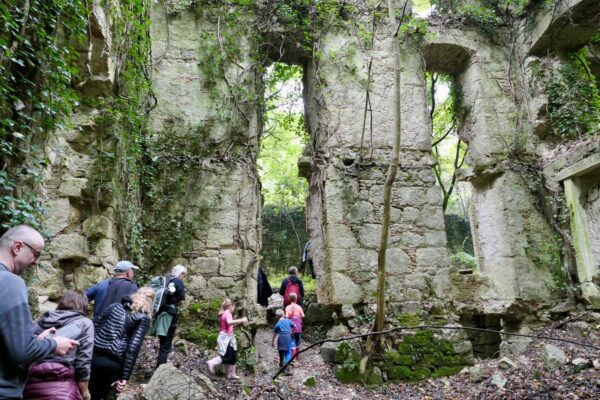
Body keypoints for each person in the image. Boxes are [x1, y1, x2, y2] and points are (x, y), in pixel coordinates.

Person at [0, 225, 79, 399]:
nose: (36, 262)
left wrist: (35, 341)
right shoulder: (10, 282)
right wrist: (54, 345)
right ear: (17, 247)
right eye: (36, 254)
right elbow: (21, 351)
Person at [23, 290, 94, 400]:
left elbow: (27, 349)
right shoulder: (85, 323)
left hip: (31, 383)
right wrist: (84, 392)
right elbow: (83, 361)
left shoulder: (42, 320)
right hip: (63, 385)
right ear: (83, 305)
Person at [88, 287, 154, 400]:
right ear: (151, 301)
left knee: (82, 393)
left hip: (92, 358)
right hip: (112, 365)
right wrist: (125, 377)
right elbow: (132, 348)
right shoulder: (143, 318)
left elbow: (95, 328)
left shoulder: (114, 306)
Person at [152, 264, 187, 368]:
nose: (183, 278)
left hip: (160, 315)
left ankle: (159, 368)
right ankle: (160, 372)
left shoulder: (166, 280)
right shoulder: (178, 281)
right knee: (165, 345)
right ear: (181, 273)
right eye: (183, 275)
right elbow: (182, 301)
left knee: (162, 343)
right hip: (169, 316)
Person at [205, 298, 248, 380]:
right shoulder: (227, 313)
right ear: (231, 306)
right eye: (234, 307)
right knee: (227, 357)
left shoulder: (224, 313)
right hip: (225, 338)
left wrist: (239, 322)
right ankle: (211, 362)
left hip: (229, 338)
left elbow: (228, 325)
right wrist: (241, 319)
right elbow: (229, 322)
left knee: (234, 355)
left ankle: (231, 374)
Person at [272, 309, 295, 373]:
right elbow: (294, 326)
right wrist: (292, 333)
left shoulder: (278, 324)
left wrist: (272, 342)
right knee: (288, 352)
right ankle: (288, 369)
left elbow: (274, 333)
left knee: (281, 351)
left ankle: (281, 363)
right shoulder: (288, 320)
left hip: (281, 338)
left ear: (277, 316)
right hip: (288, 338)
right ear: (283, 314)